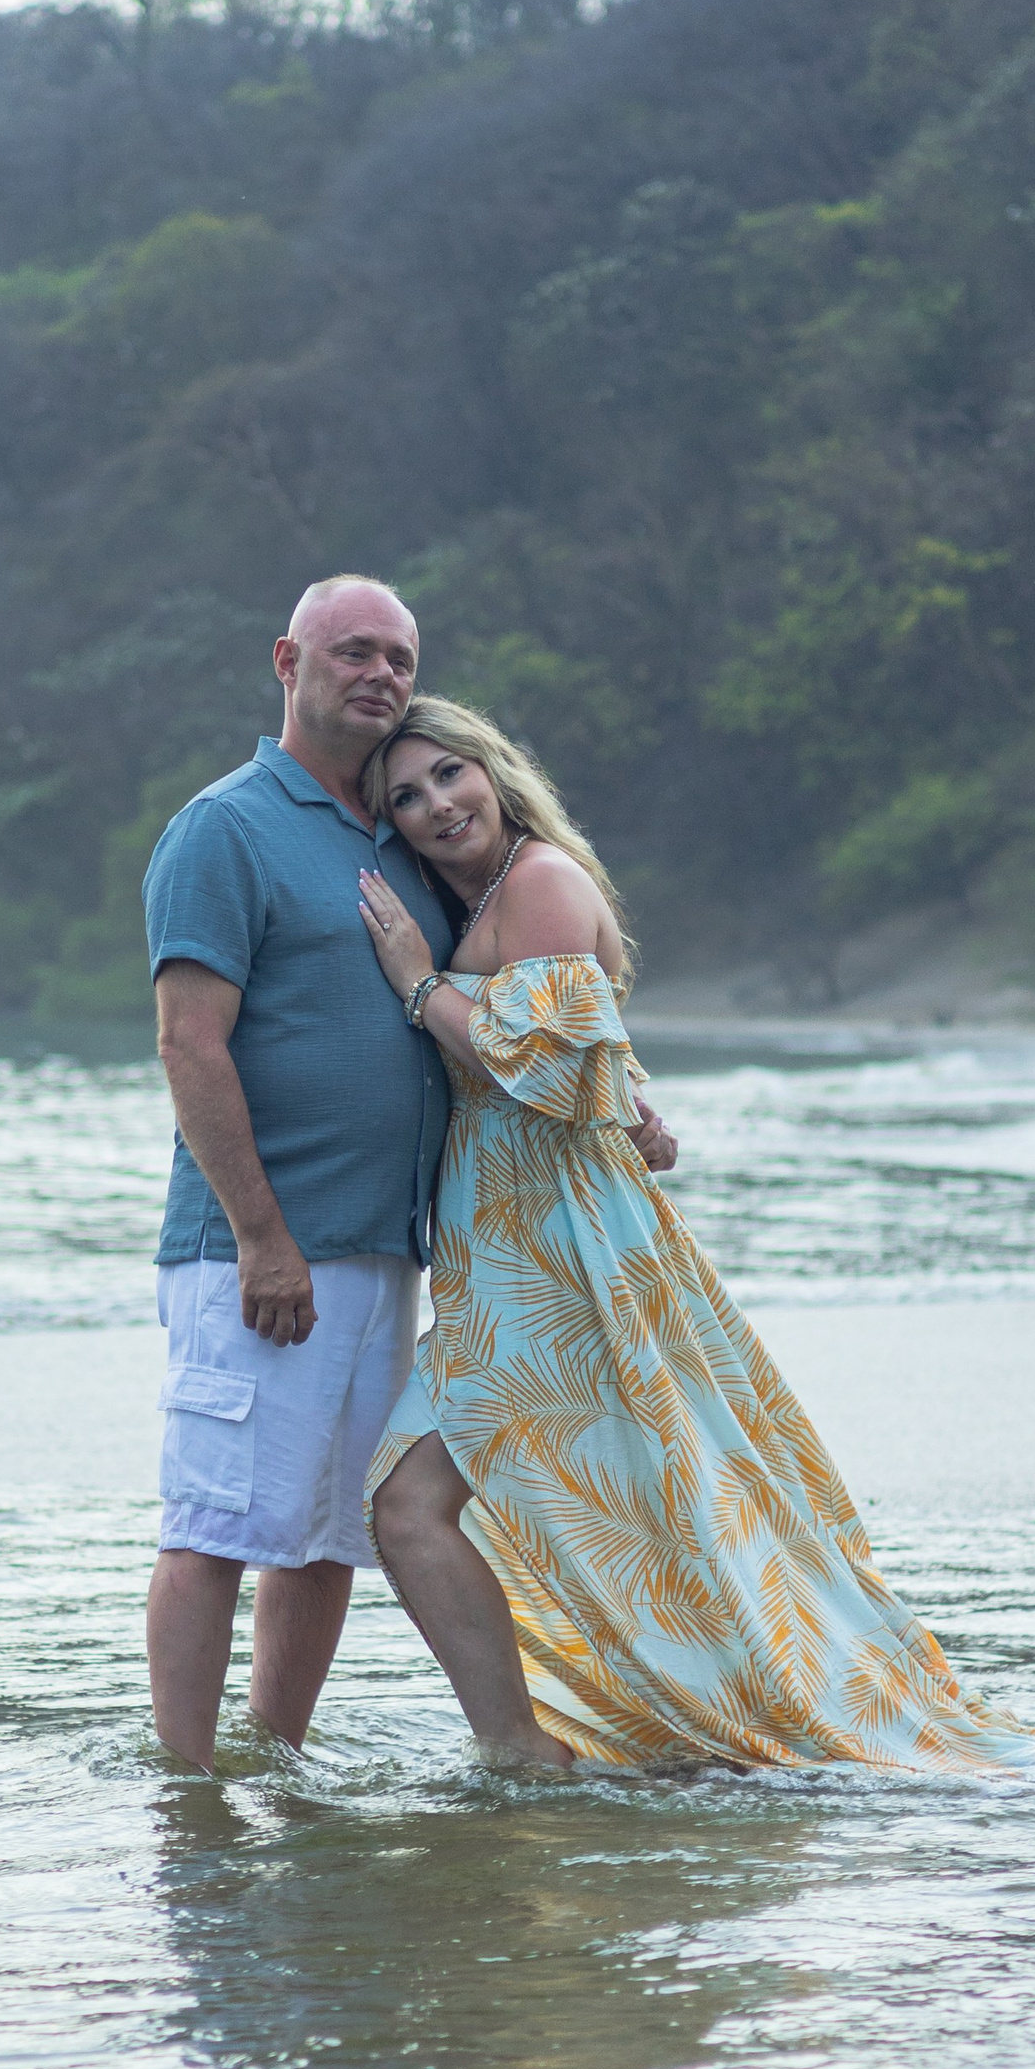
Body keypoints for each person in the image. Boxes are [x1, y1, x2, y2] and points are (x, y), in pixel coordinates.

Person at [353, 695, 1035, 1777]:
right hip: (512, 1257)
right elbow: (587, 1047)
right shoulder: (495, 895)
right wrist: (630, 1095)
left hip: (560, 1255)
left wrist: (415, 982)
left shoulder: (540, 879)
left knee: (485, 1498)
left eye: (448, 775)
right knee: (506, 1498)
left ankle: (566, 1745)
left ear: (493, 772)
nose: (434, 805)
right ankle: (561, 1739)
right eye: (405, 797)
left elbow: (539, 1065)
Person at [141, 579, 675, 1771]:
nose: (379, 673)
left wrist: (623, 1092)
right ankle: (186, 1788)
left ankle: (272, 1760)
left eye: (399, 655)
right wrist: (261, 1236)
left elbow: (531, 997)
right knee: (215, 1525)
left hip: (394, 1249)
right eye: (352, 651)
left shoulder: (400, 835)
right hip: (260, 1251)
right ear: (288, 659)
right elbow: (190, 1042)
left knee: (328, 1536)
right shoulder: (222, 828)